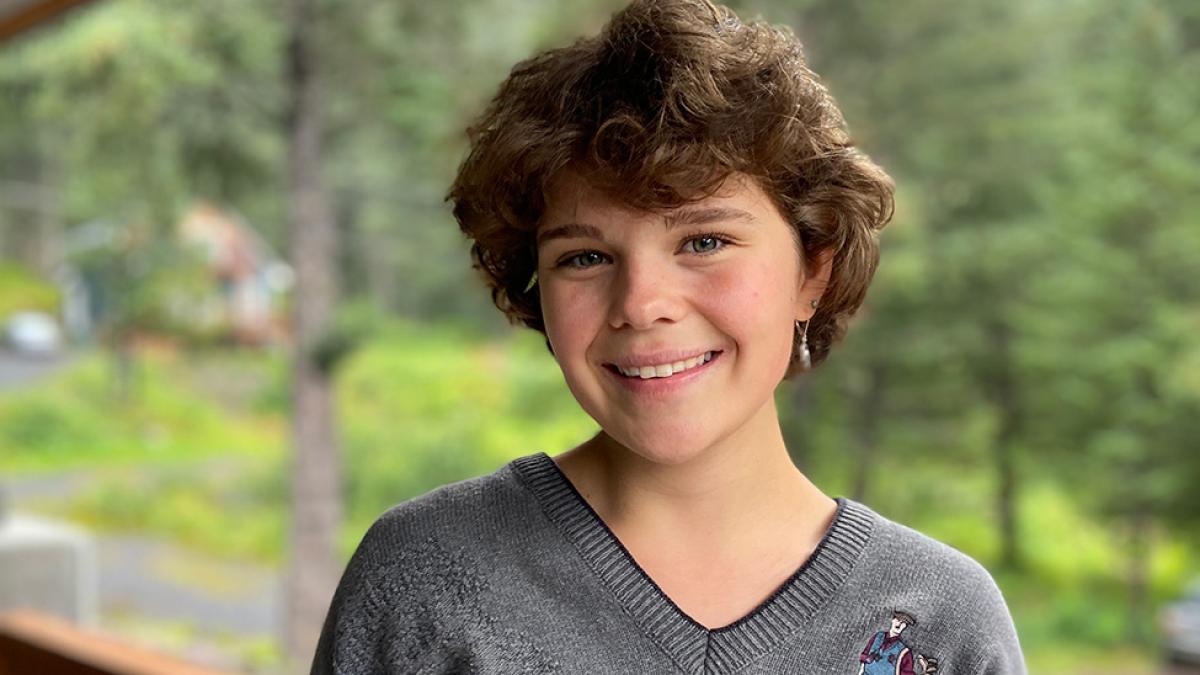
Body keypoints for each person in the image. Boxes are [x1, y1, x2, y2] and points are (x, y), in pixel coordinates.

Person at [311, 1, 1027, 673]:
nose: (642, 303)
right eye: (584, 257)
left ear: (813, 269)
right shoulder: (424, 583)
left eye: (704, 240)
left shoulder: (941, 626)